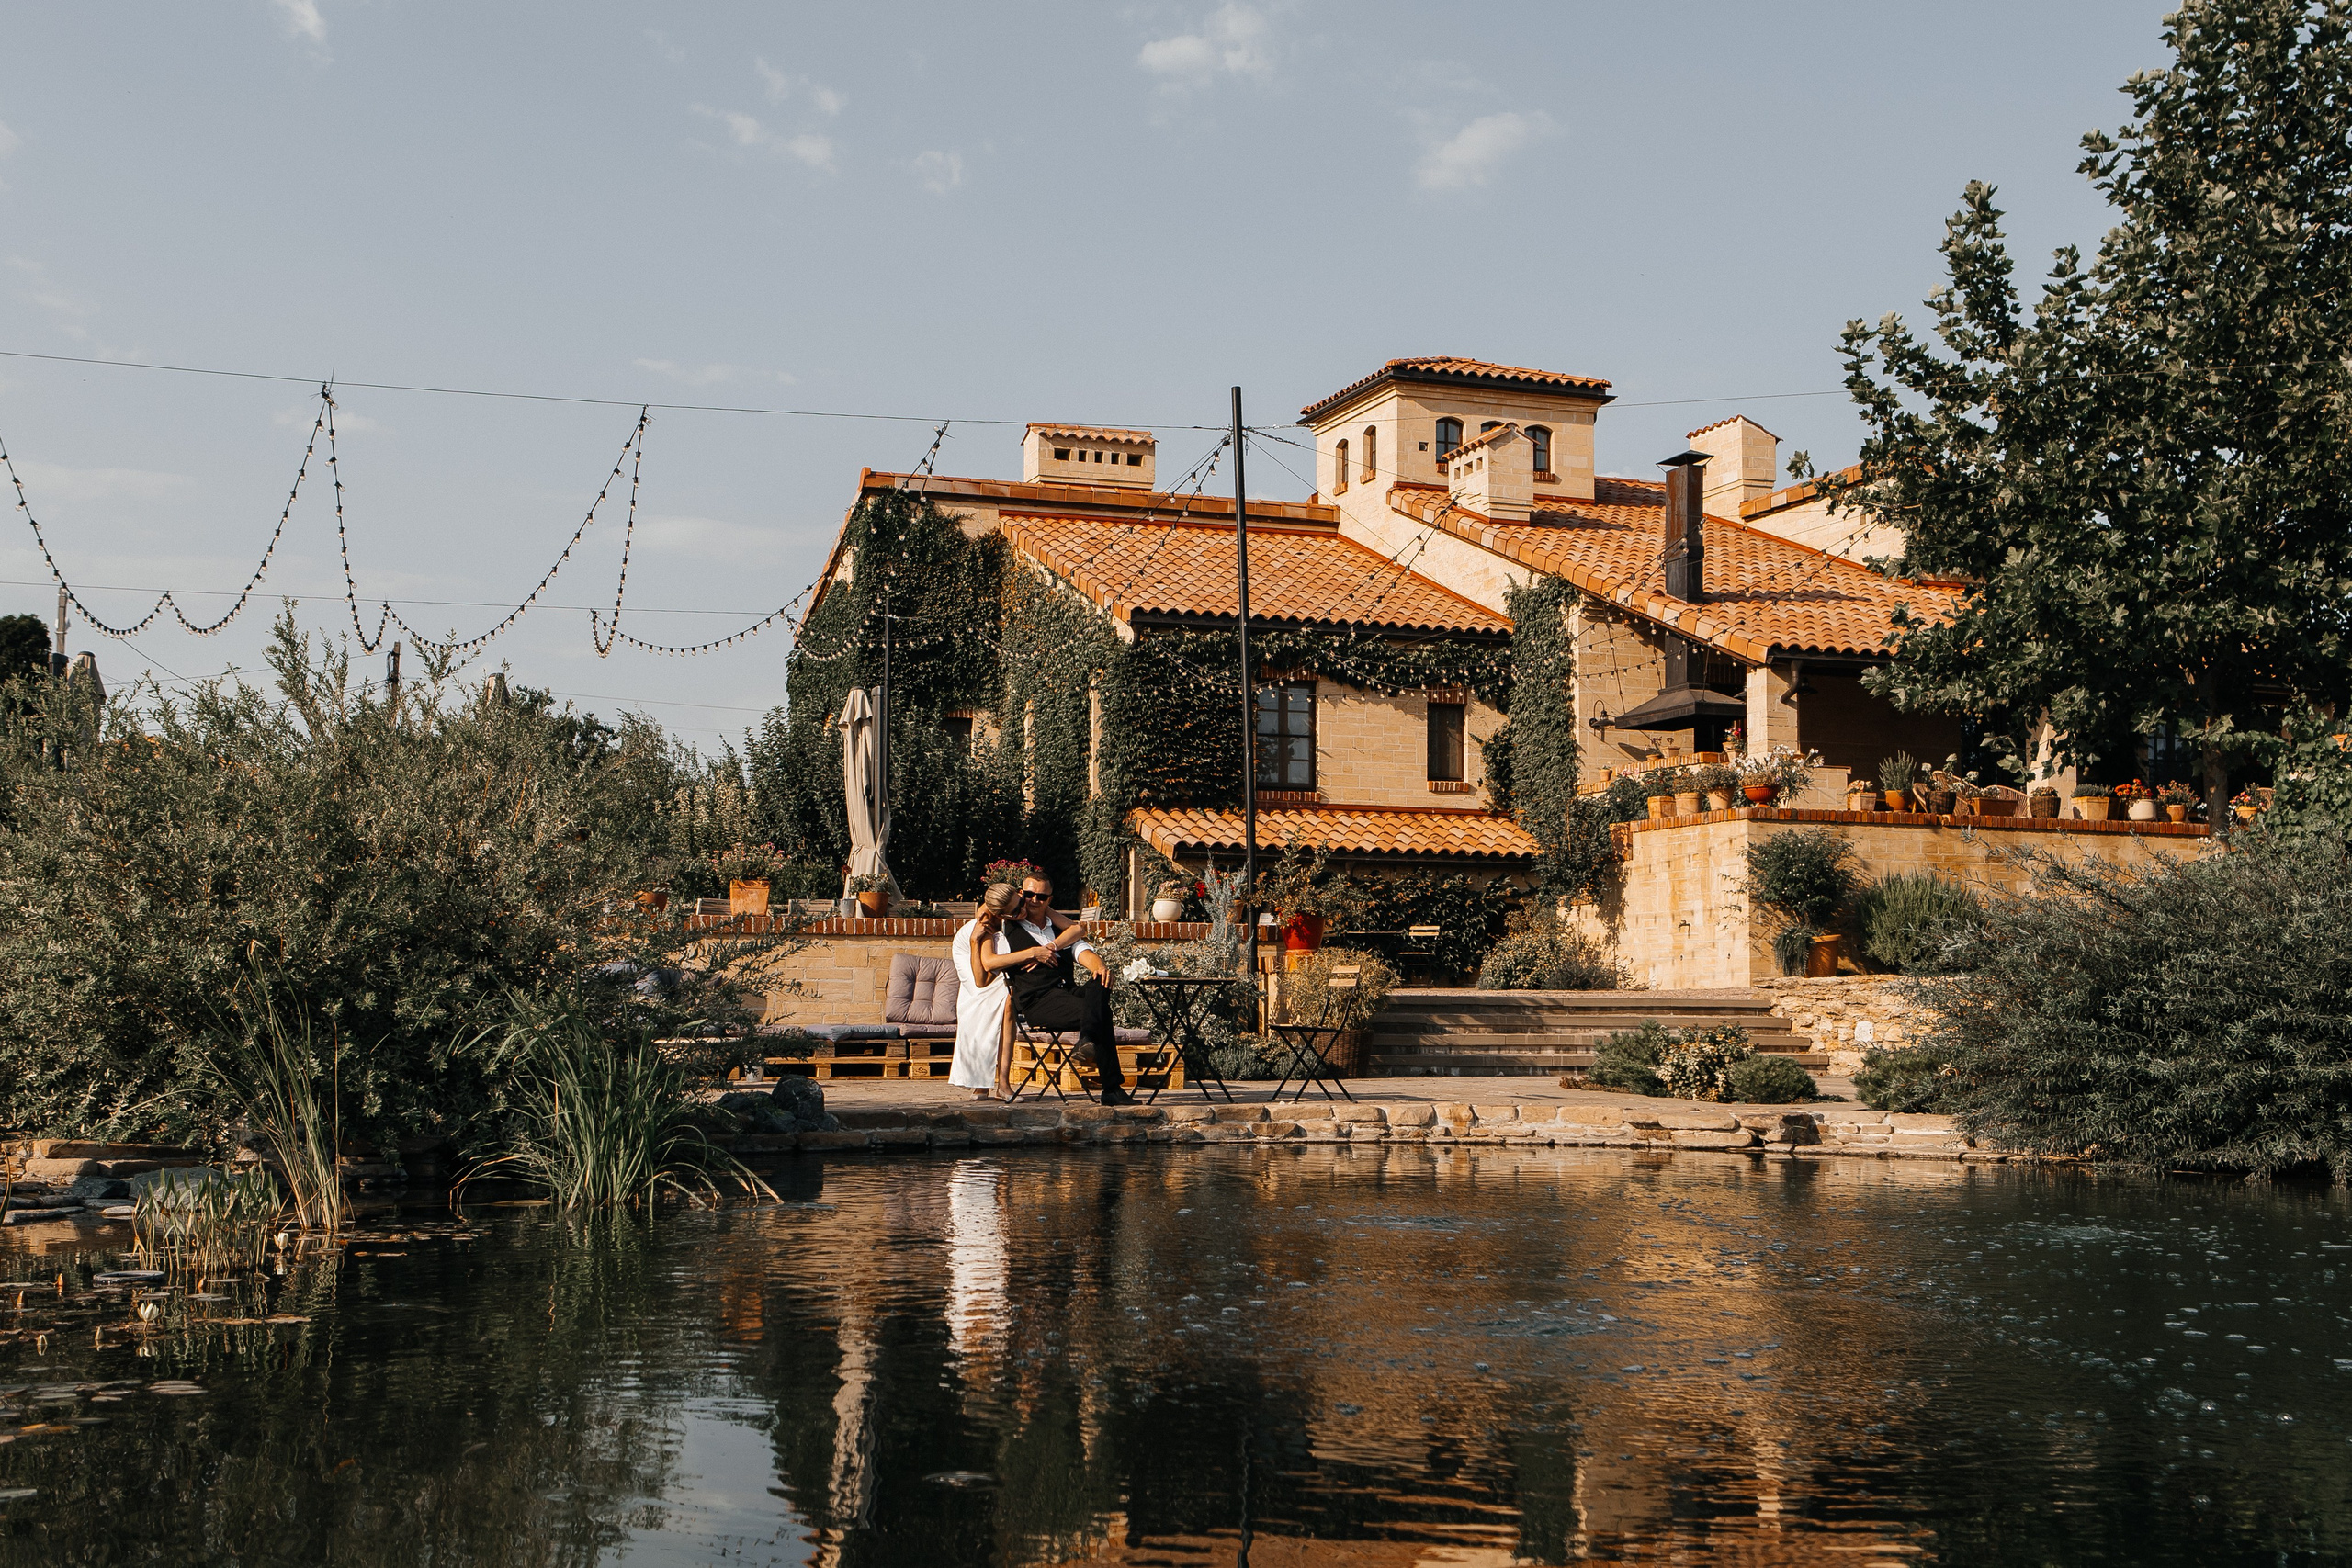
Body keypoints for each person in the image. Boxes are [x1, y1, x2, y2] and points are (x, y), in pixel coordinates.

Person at [1000, 872, 1136, 1105]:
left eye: (1041, 897)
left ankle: (1087, 1039)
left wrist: (1101, 967)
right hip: (1037, 1000)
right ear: (1021, 894)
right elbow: (988, 906)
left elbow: (1084, 952)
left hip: (1066, 992)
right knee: (1101, 1012)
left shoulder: (1059, 930)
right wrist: (1033, 953)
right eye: (1029, 894)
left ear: (1049, 900)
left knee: (1099, 982)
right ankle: (1111, 1088)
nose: (1034, 901)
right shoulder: (1007, 926)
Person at [950, 883, 1051, 1100]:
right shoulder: (984, 926)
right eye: (1015, 912)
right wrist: (1032, 953)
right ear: (1000, 913)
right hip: (972, 951)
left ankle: (1003, 1085)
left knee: (1008, 1004)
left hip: (993, 955)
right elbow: (981, 978)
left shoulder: (1018, 904)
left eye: (1021, 903)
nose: (1023, 911)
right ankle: (980, 1083)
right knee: (979, 1007)